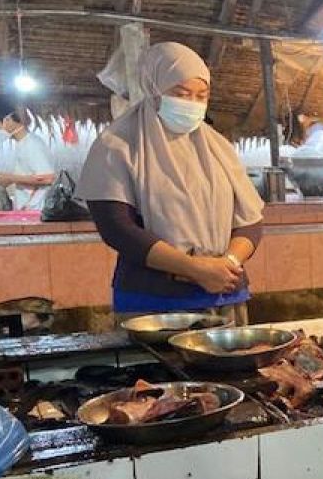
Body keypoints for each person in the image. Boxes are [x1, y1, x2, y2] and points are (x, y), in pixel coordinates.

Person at [78, 42, 265, 324]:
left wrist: (228, 263)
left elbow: (249, 218)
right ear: (154, 90)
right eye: (181, 94)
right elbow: (118, 228)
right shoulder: (117, 145)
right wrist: (194, 269)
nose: (192, 103)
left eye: (201, 95)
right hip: (154, 303)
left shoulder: (219, 148)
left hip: (224, 294)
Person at [0, 97, 56, 211]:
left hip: (36, 211)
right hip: (26, 210)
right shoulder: (21, 144)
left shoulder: (32, 143)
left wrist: (11, 178)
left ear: (8, 119)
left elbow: (47, 178)